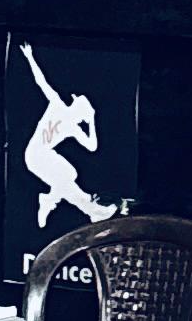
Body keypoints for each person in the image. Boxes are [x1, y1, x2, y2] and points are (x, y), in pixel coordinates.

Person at [19, 40, 118, 236]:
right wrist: (30, 57)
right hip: (35, 154)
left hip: (44, 155)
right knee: (67, 176)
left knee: (67, 180)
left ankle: (84, 208)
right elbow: (42, 82)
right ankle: (57, 202)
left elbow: (92, 147)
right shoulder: (57, 105)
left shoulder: (73, 127)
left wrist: (92, 121)